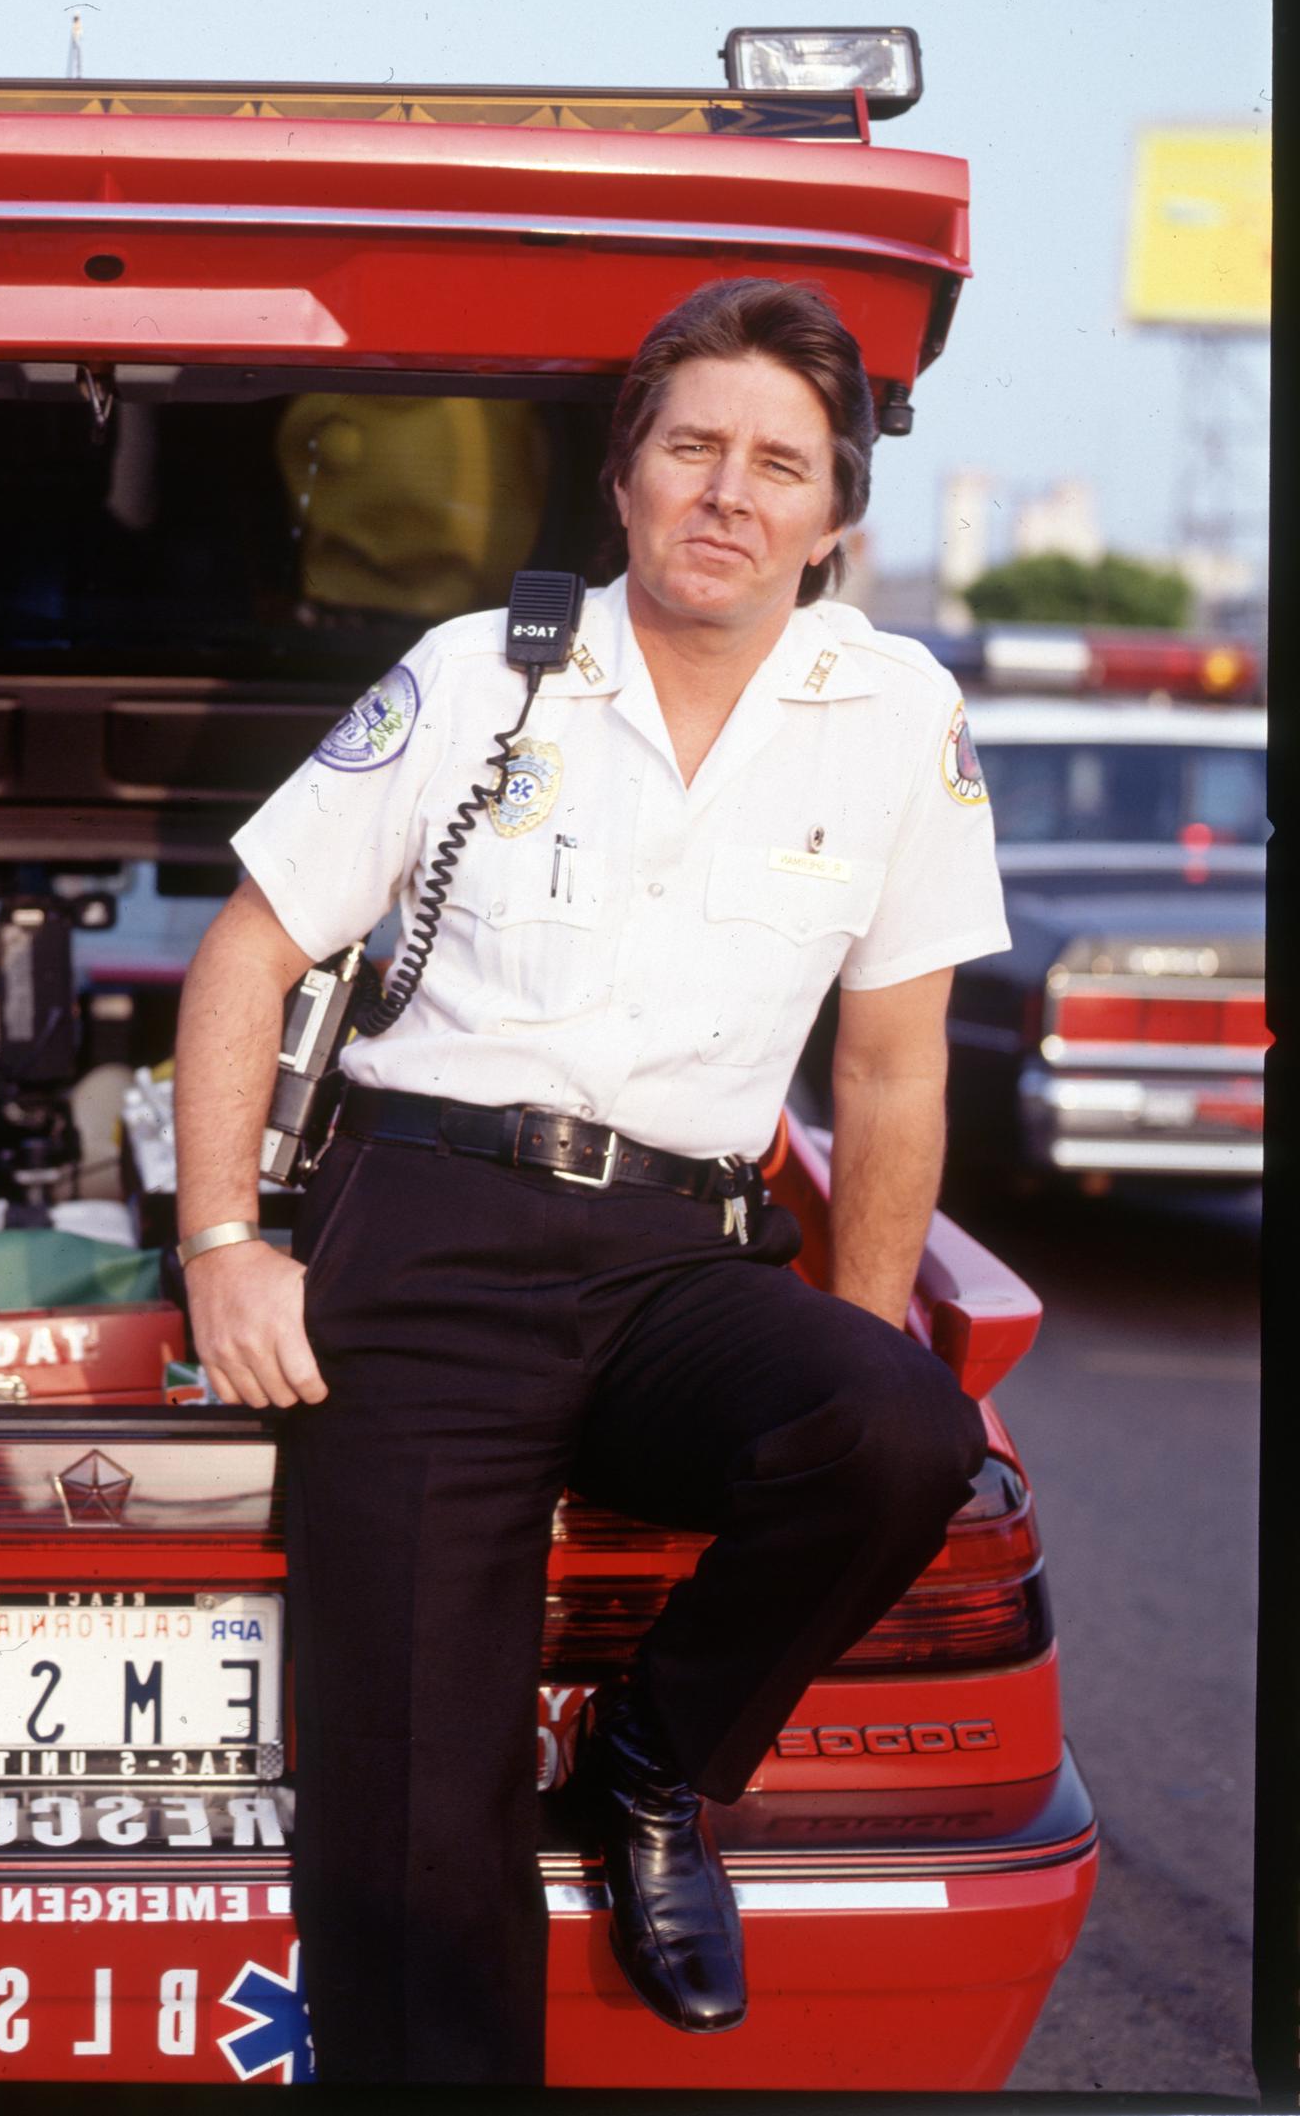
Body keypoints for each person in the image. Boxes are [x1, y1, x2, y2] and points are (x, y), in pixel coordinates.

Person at [172, 277, 1009, 2086]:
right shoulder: (482, 671)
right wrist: (223, 1242)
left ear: (835, 513)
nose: (731, 491)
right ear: (624, 478)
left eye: (779, 464)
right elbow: (247, 953)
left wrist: (857, 1348)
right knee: (408, 1816)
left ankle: (655, 1770)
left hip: (678, 1262)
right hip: (431, 1239)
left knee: (901, 1432)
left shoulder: (897, 712)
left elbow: (889, 1063)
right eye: (692, 447)